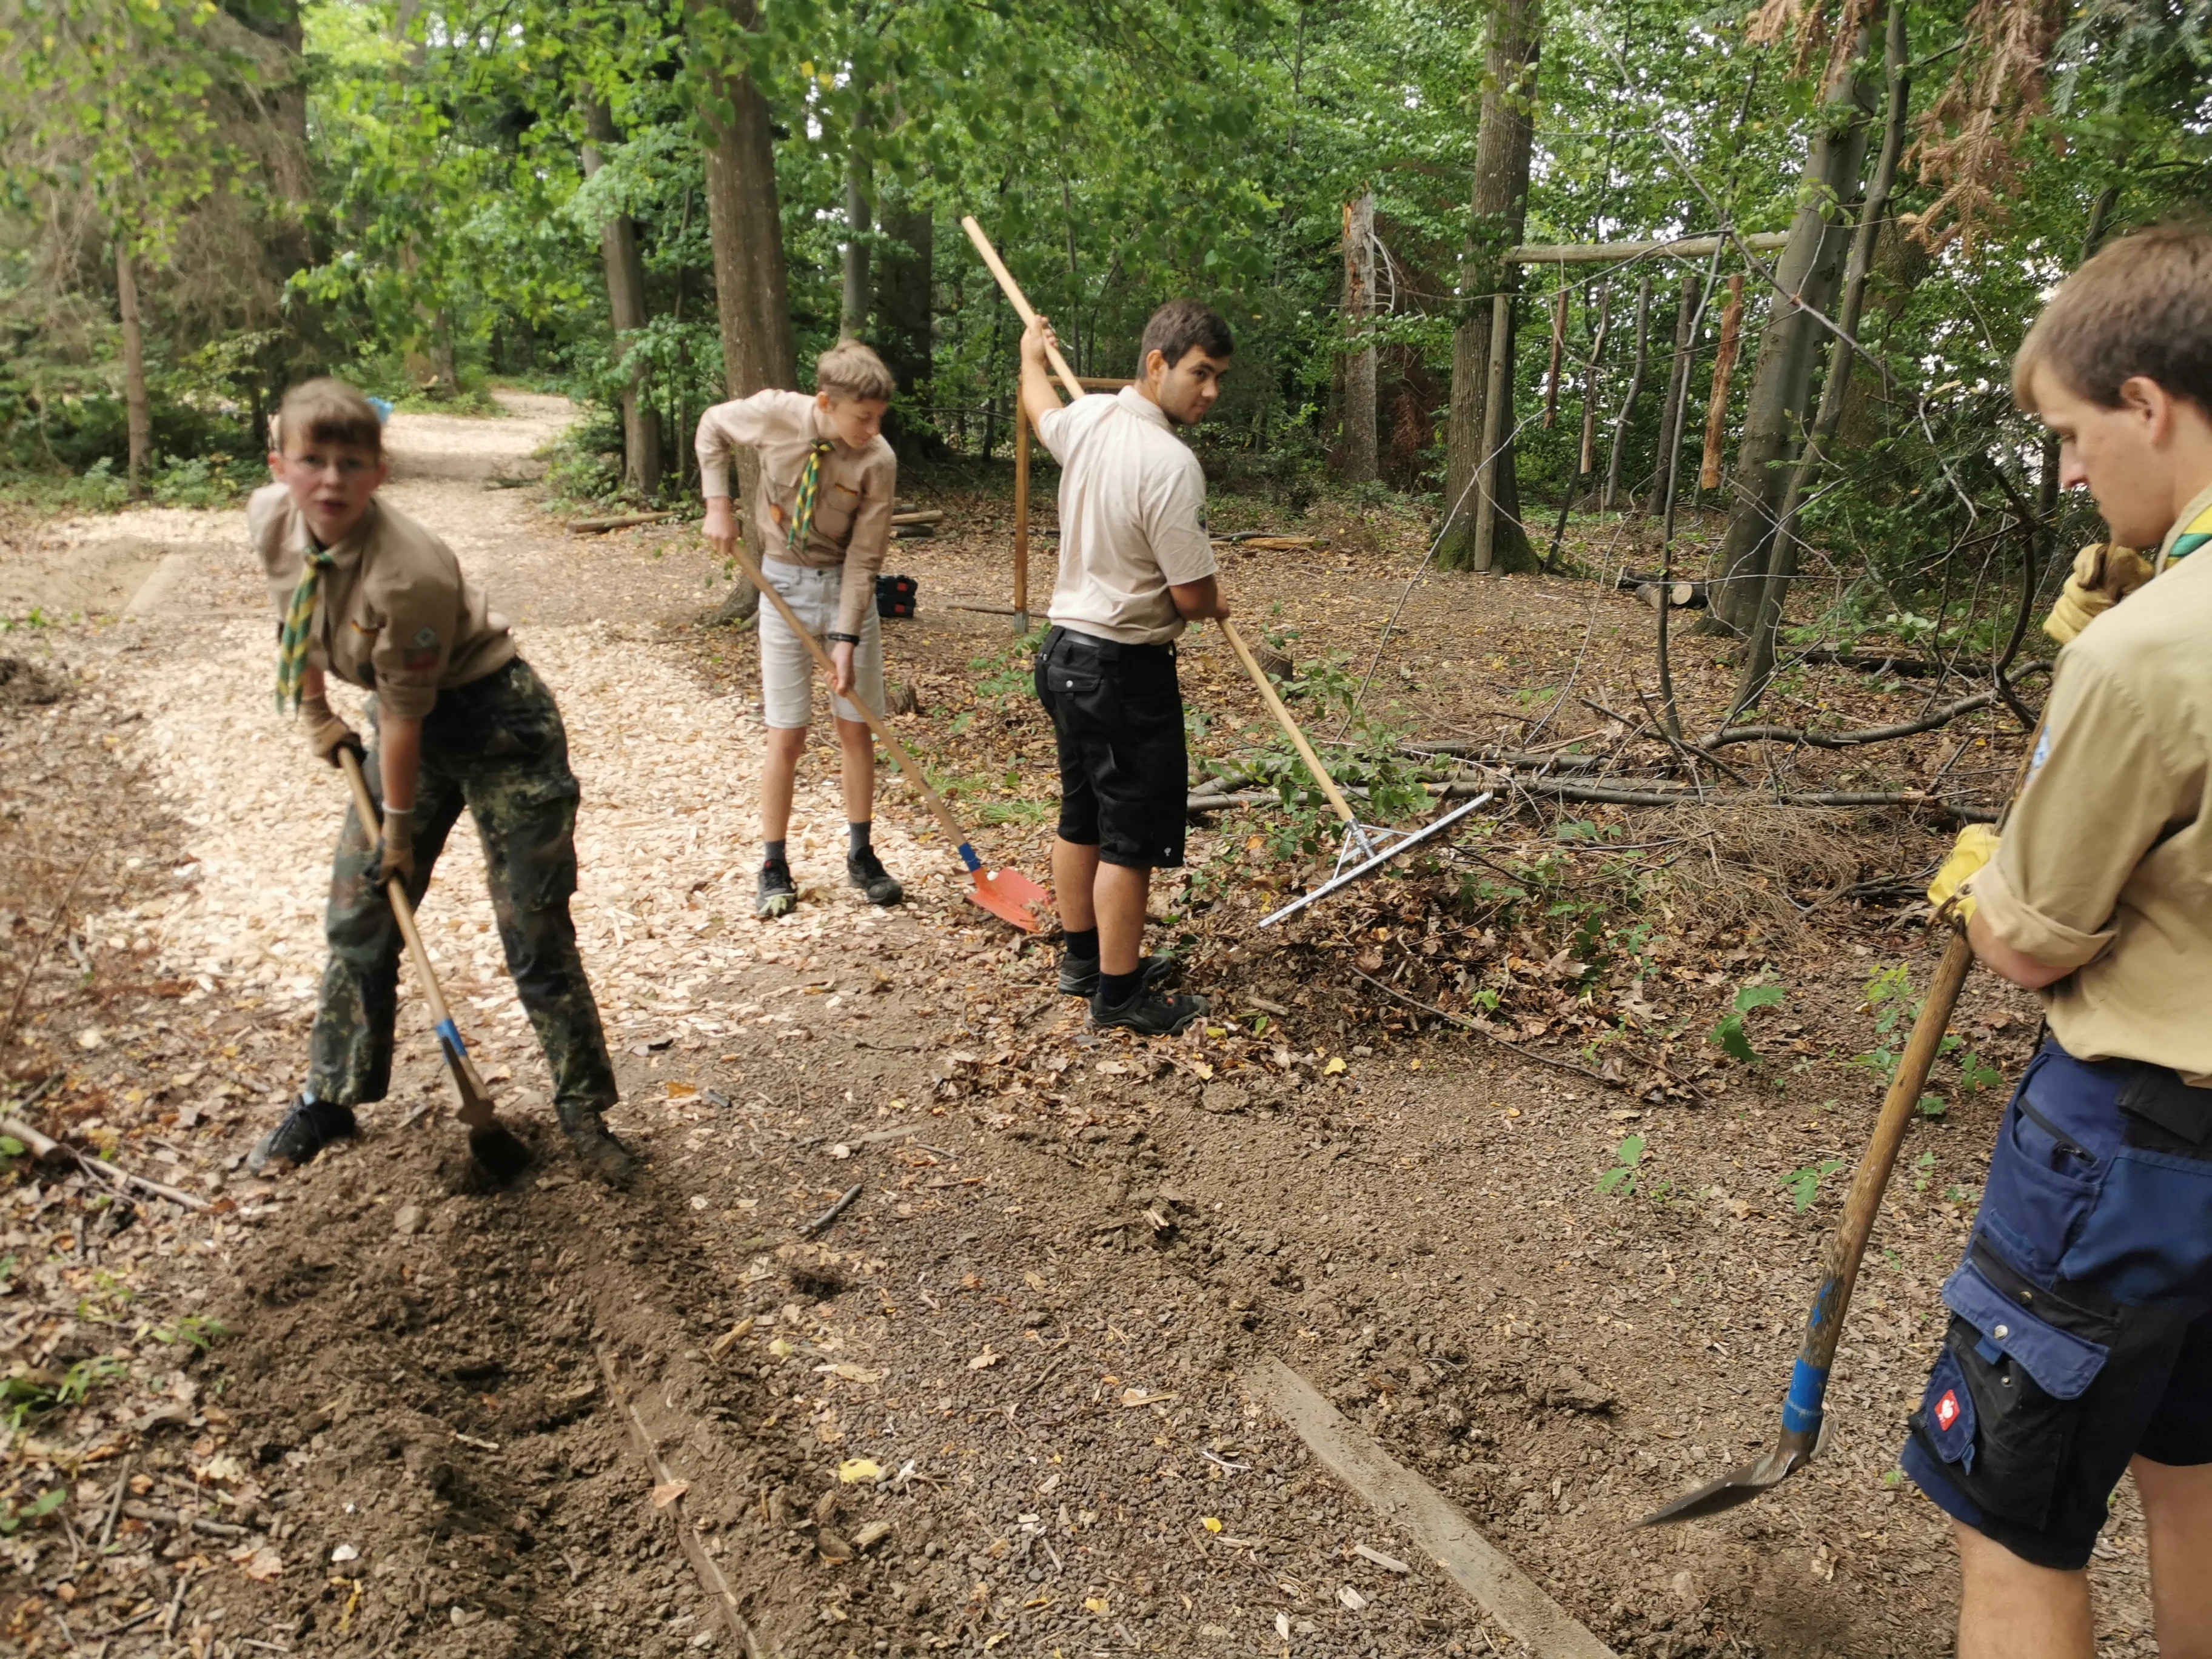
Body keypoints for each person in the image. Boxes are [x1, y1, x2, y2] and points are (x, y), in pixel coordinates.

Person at [1909, 224, 2212, 1659]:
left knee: (2013, 1514)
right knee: (2193, 1463)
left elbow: (2030, 940)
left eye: (2077, 434)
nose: (2076, 473)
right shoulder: (2163, 619)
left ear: (2148, 402)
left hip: (2137, 1149)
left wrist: (1981, 882)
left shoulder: (2149, 655)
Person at [245, 378, 635, 1184]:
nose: (329, 480)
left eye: (350, 463)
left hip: (499, 728)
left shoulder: (408, 571)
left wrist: (395, 833)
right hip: (406, 731)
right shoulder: (271, 520)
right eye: (311, 460)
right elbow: (297, 610)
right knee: (359, 915)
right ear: (279, 464)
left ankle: (582, 1106)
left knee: (532, 924)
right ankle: (330, 1096)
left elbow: (402, 714)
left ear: (378, 472)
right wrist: (316, 708)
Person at [1017, 301, 1233, 1034]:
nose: (1210, 392)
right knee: (1128, 837)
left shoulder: (1091, 422)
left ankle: (1085, 960)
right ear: (1157, 364)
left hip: (1063, 658)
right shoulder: (1172, 464)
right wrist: (1215, 603)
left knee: (1081, 818)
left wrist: (1029, 358)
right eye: (1200, 374)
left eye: (1218, 378)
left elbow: (1041, 409)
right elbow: (1191, 596)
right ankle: (1119, 994)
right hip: (1118, 670)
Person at [697, 342, 903, 920]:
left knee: (857, 727)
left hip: (845, 589)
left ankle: (861, 855)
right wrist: (720, 504)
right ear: (826, 403)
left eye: (879, 417)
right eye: (863, 416)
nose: (873, 428)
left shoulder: (877, 461)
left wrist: (845, 640)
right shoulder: (775, 413)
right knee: (786, 733)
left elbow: (865, 561)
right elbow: (712, 426)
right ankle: (773, 864)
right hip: (780, 585)